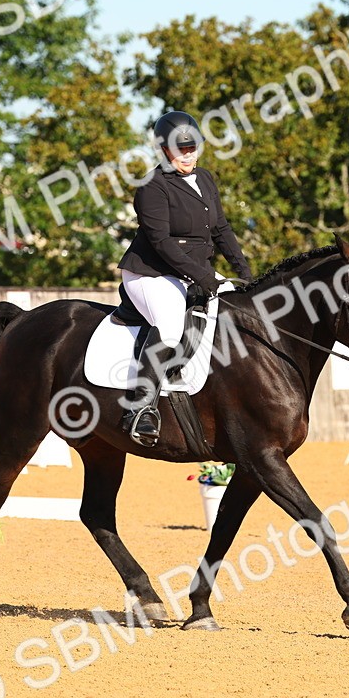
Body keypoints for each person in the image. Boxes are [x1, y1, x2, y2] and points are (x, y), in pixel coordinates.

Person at [117, 110, 253, 447]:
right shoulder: (151, 187)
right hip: (151, 272)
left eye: (193, 148)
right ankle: (141, 407)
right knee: (171, 324)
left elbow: (220, 228)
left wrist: (245, 272)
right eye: (181, 149)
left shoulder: (204, 178)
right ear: (164, 150)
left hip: (194, 271)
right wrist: (204, 277)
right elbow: (162, 243)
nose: (188, 155)